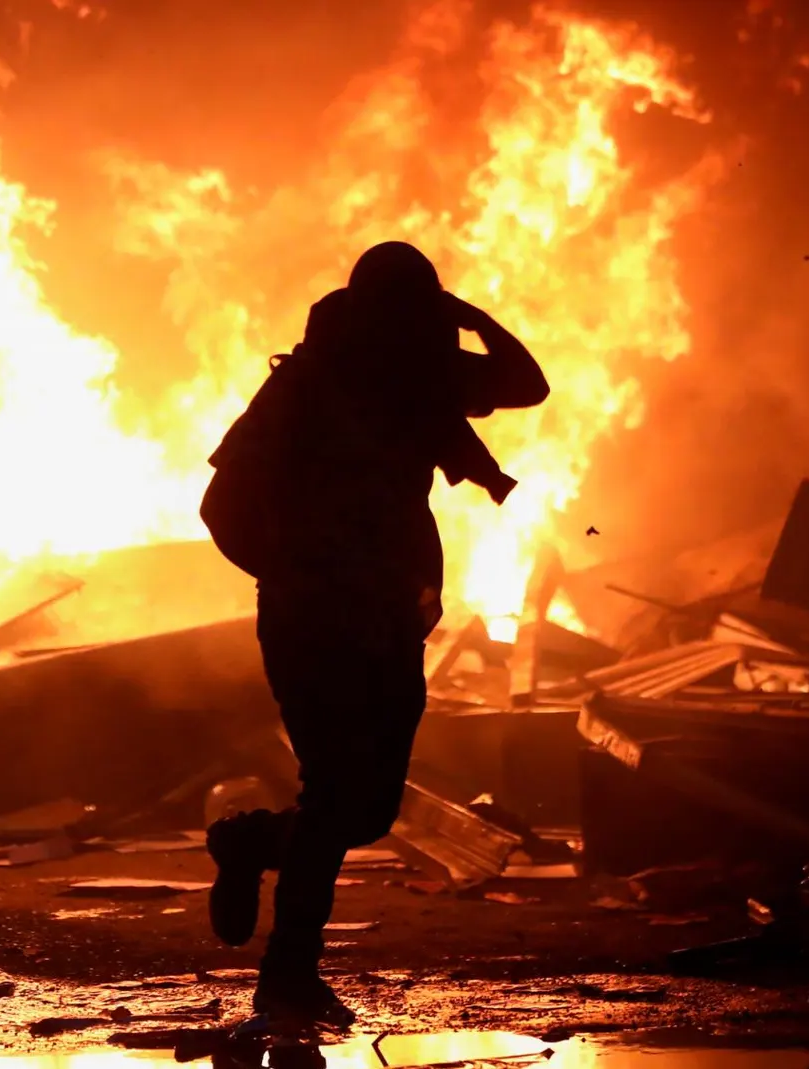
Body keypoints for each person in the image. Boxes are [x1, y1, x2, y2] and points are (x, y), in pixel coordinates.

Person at [198, 241, 549, 1027]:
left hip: (392, 621)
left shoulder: (421, 381)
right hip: (314, 623)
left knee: (368, 813)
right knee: (333, 795)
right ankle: (288, 977)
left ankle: (250, 842)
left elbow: (528, 384)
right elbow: (219, 507)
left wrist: (460, 315)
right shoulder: (303, 387)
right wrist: (288, 577)